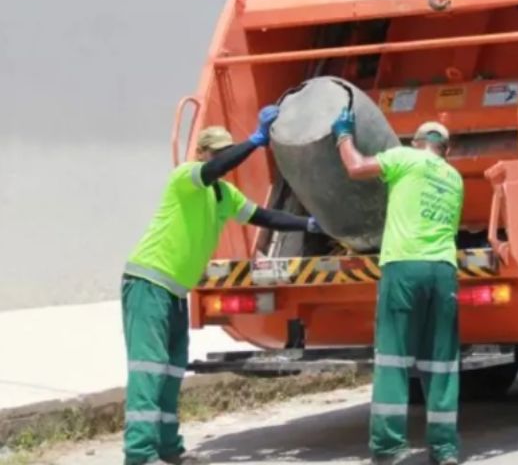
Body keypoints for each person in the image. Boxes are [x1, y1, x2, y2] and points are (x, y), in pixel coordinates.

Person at [121, 106, 323, 465]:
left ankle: (169, 450)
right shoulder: (186, 177)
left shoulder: (223, 195)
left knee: (170, 372)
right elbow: (215, 168)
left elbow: (264, 216)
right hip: (148, 282)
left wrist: (307, 224)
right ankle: (139, 454)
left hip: (174, 292)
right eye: (219, 153)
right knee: (149, 370)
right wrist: (256, 141)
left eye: (228, 153)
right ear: (202, 154)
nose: (225, 160)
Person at [332, 113, 464, 465]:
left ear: (417, 142)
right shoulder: (453, 177)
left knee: (393, 359)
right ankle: (445, 450)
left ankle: (389, 448)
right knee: (442, 363)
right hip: (443, 271)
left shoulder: (406, 157)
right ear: (445, 149)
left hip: (405, 266)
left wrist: (343, 136)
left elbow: (356, 167)